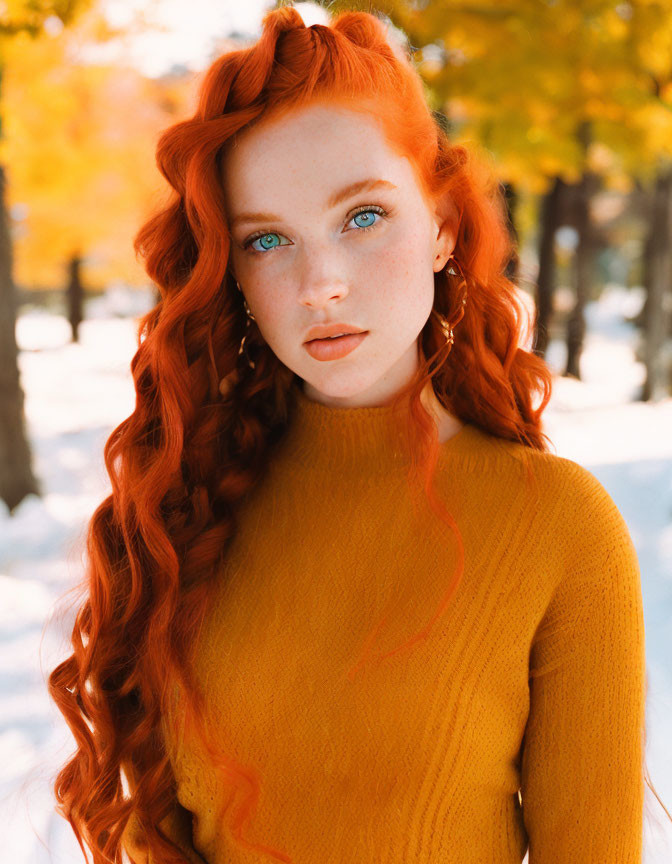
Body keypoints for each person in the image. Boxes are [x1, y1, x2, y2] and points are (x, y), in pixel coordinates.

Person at [48, 5, 663, 864]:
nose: (319, 285)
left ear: (443, 225)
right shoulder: (180, 517)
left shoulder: (561, 529)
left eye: (363, 217)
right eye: (268, 239)